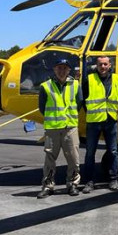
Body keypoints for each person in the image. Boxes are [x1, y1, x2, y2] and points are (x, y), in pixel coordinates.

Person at [37, 57, 83, 198]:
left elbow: (79, 103)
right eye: (59, 68)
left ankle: (73, 184)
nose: (62, 71)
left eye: (64, 68)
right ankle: (48, 186)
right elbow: (42, 107)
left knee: (73, 158)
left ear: (69, 70)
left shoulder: (75, 85)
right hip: (53, 129)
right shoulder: (45, 86)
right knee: (50, 159)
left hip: (70, 128)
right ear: (54, 70)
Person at [81, 55, 118, 193]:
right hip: (94, 121)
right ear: (96, 66)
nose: (103, 67)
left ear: (110, 65)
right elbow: (84, 99)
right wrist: (93, 112)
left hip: (111, 120)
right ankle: (89, 181)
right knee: (90, 153)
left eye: (105, 64)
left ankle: (113, 179)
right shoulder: (89, 80)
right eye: (100, 65)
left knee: (113, 151)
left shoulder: (117, 79)